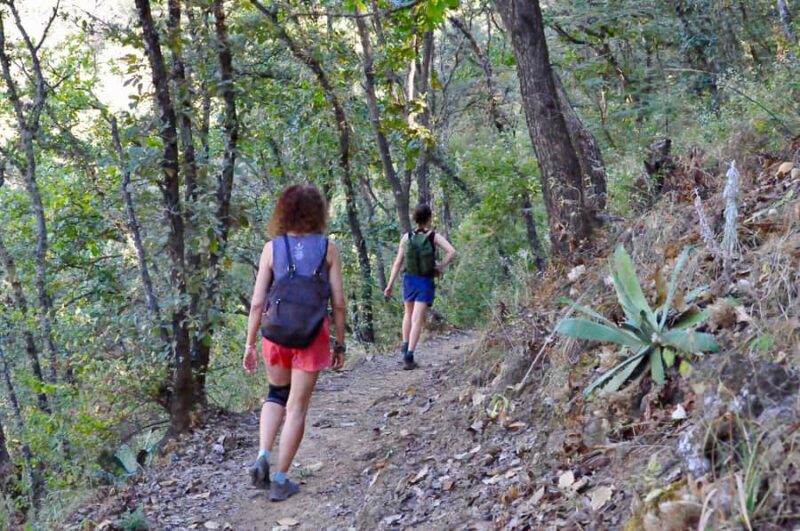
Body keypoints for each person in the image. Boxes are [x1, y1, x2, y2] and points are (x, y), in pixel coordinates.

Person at [242, 184, 346, 502]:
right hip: (312, 336)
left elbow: (258, 303)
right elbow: (339, 303)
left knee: (275, 395)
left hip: (276, 335)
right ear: (318, 212)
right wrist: (339, 343)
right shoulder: (328, 248)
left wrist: (249, 344)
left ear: (283, 211)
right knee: (297, 406)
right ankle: (280, 479)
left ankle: (262, 454)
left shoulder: (272, 248)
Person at [384, 204, 456, 370]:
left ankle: (405, 344)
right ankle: (409, 355)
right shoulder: (433, 236)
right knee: (417, 318)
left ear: (414, 219)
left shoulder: (406, 237)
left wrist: (390, 285)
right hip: (425, 281)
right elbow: (452, 251)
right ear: (429, 218)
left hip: (409, 280)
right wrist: (440, 267)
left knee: (408, 314)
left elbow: (397, 263)